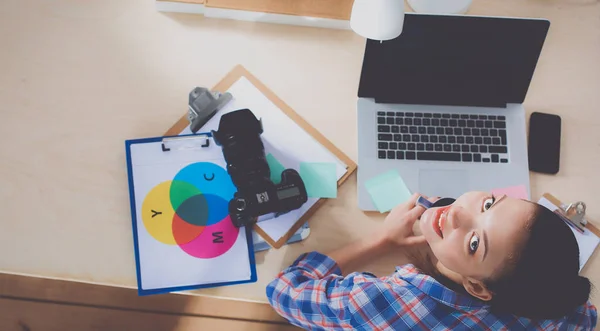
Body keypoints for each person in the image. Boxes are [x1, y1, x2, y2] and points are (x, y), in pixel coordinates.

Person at [266, 192, 598, 330]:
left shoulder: (380, 303)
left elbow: (283, 290)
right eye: (488, 204)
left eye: (473, 243)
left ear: (477, 287)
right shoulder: (555, 302)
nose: (455, 212)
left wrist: (380, 240)